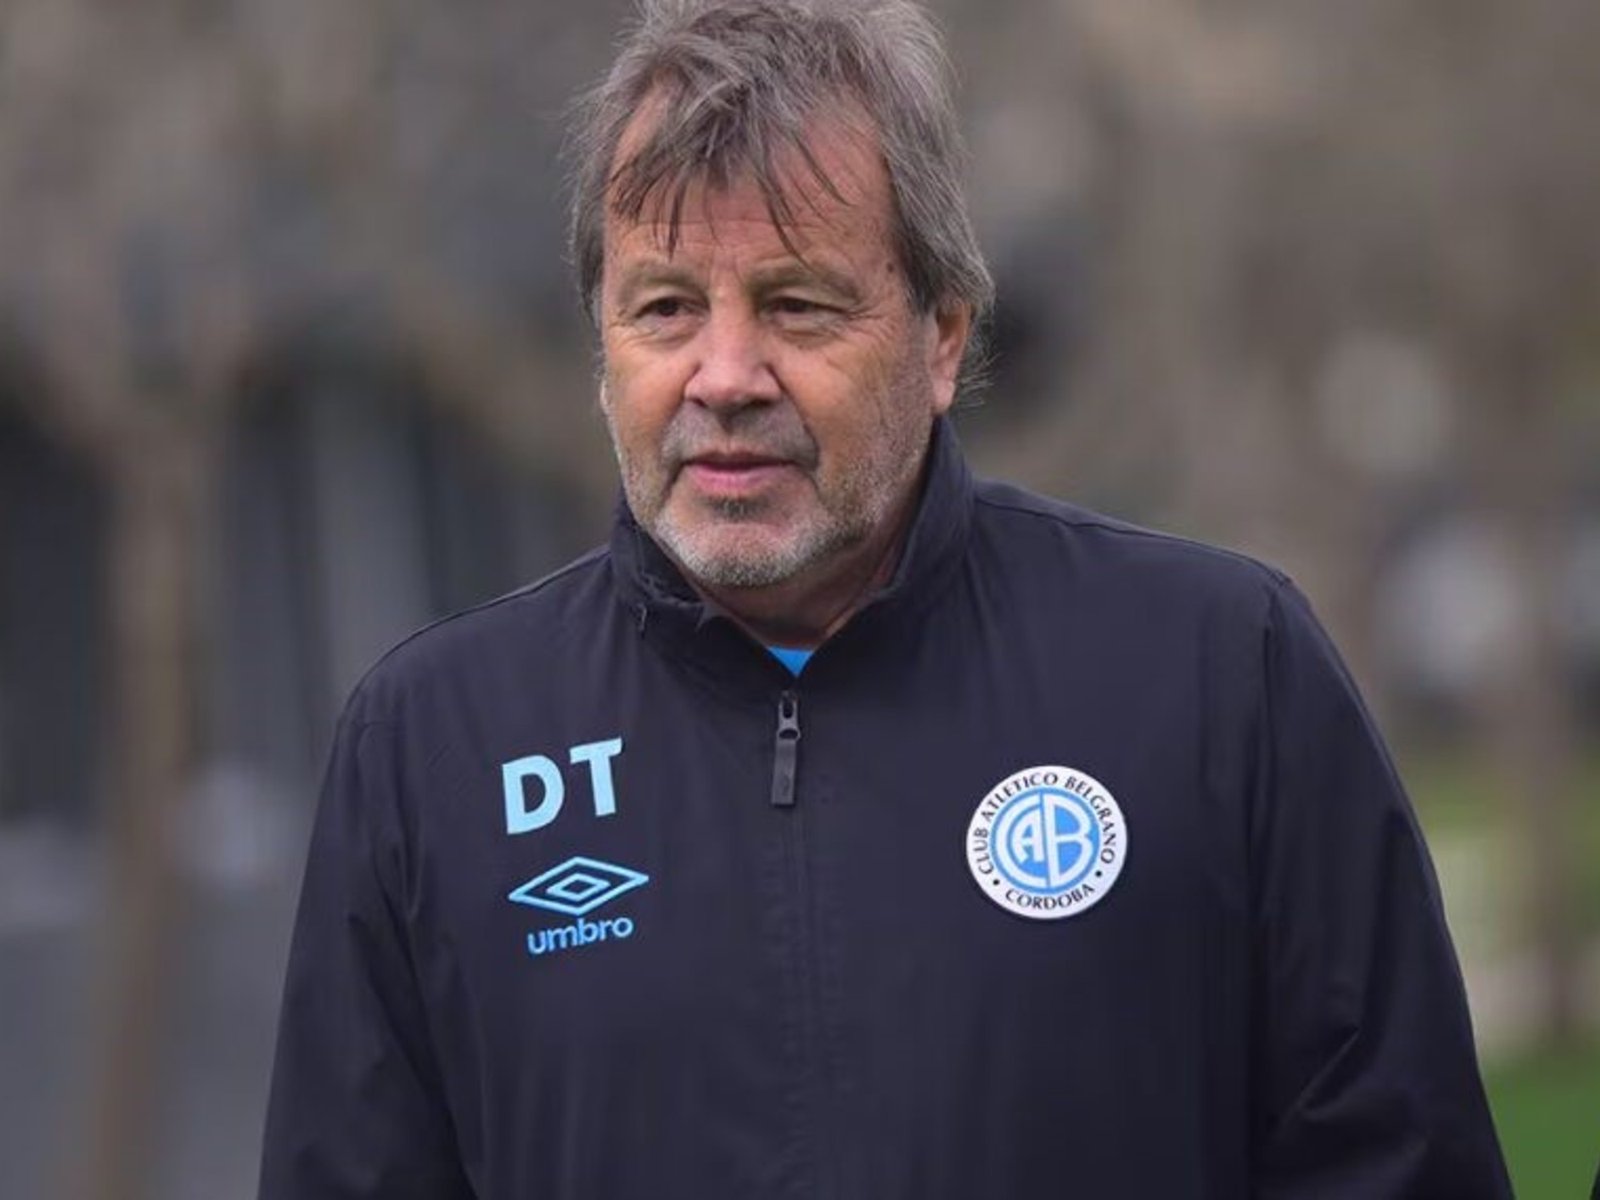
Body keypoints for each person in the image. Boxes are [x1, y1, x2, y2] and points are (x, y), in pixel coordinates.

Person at [258, 1, 1513, 1196]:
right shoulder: (433, 748)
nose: (724, 375)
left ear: (941, 336)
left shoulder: (1219, 674)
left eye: (797, 305)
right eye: (665, 309)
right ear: (602, 344)